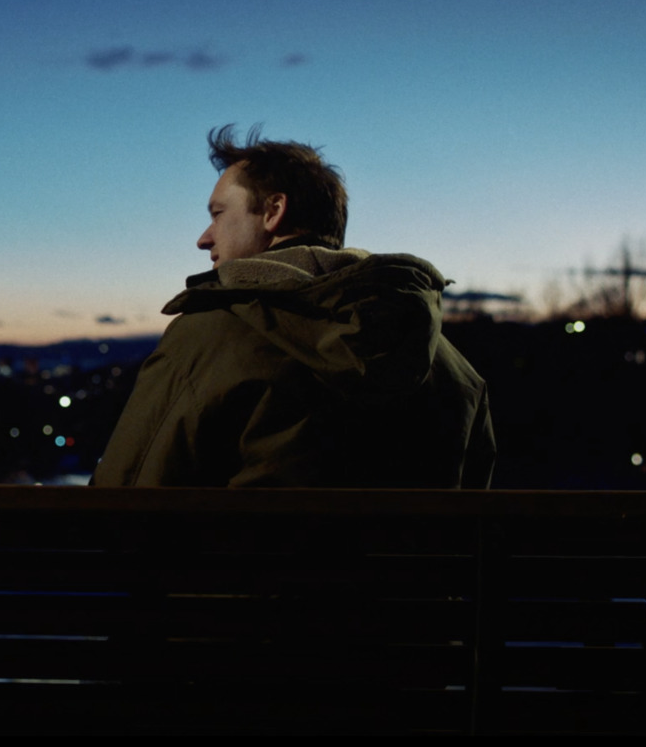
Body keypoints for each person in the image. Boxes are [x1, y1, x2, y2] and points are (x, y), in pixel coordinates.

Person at [92, 125, 494, 489]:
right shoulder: (454, 369)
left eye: (218, 214)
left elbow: (131, 493)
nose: (204, 238)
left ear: (273, 211)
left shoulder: (209, 336)